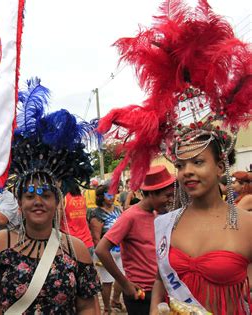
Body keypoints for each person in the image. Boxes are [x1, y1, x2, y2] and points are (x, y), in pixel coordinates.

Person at [96, 1, 251, 313]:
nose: (187, 172)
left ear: (220, 166)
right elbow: (160, 280)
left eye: (198, 162)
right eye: (181, 165)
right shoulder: (166, 223)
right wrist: (155, 306)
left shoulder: (248, 224)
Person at [0, 78, 101, 314]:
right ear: (20, 202)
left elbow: (87, 306)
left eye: (46, 195)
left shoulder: (75, 249)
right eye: (30, 195)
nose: (38, 201)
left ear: (57, 202)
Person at [95, 165, 175, 314]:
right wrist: (124, 284)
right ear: (152, 194)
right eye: (167, 195)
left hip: (162, 290)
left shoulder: (157, 215)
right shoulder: (130, 216)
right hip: (141, 294)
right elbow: (101, 249)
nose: (170, 200)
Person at [88, 184, 124, 314]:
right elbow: (96, 238)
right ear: (102, 197)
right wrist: (101, 257)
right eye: (109, 194)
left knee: (122, 278)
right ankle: (107, 308)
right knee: (107, 282)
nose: (112, 197)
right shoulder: (96, 213)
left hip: (121, 251)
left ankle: (115, 300)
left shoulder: (118, 209)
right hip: (105, 253)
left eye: (113, 194)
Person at [60, 181, 95, 261]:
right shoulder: (82, 197)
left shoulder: (63, 198)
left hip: (72, 245)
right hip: (88, 242)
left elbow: (57, 222)